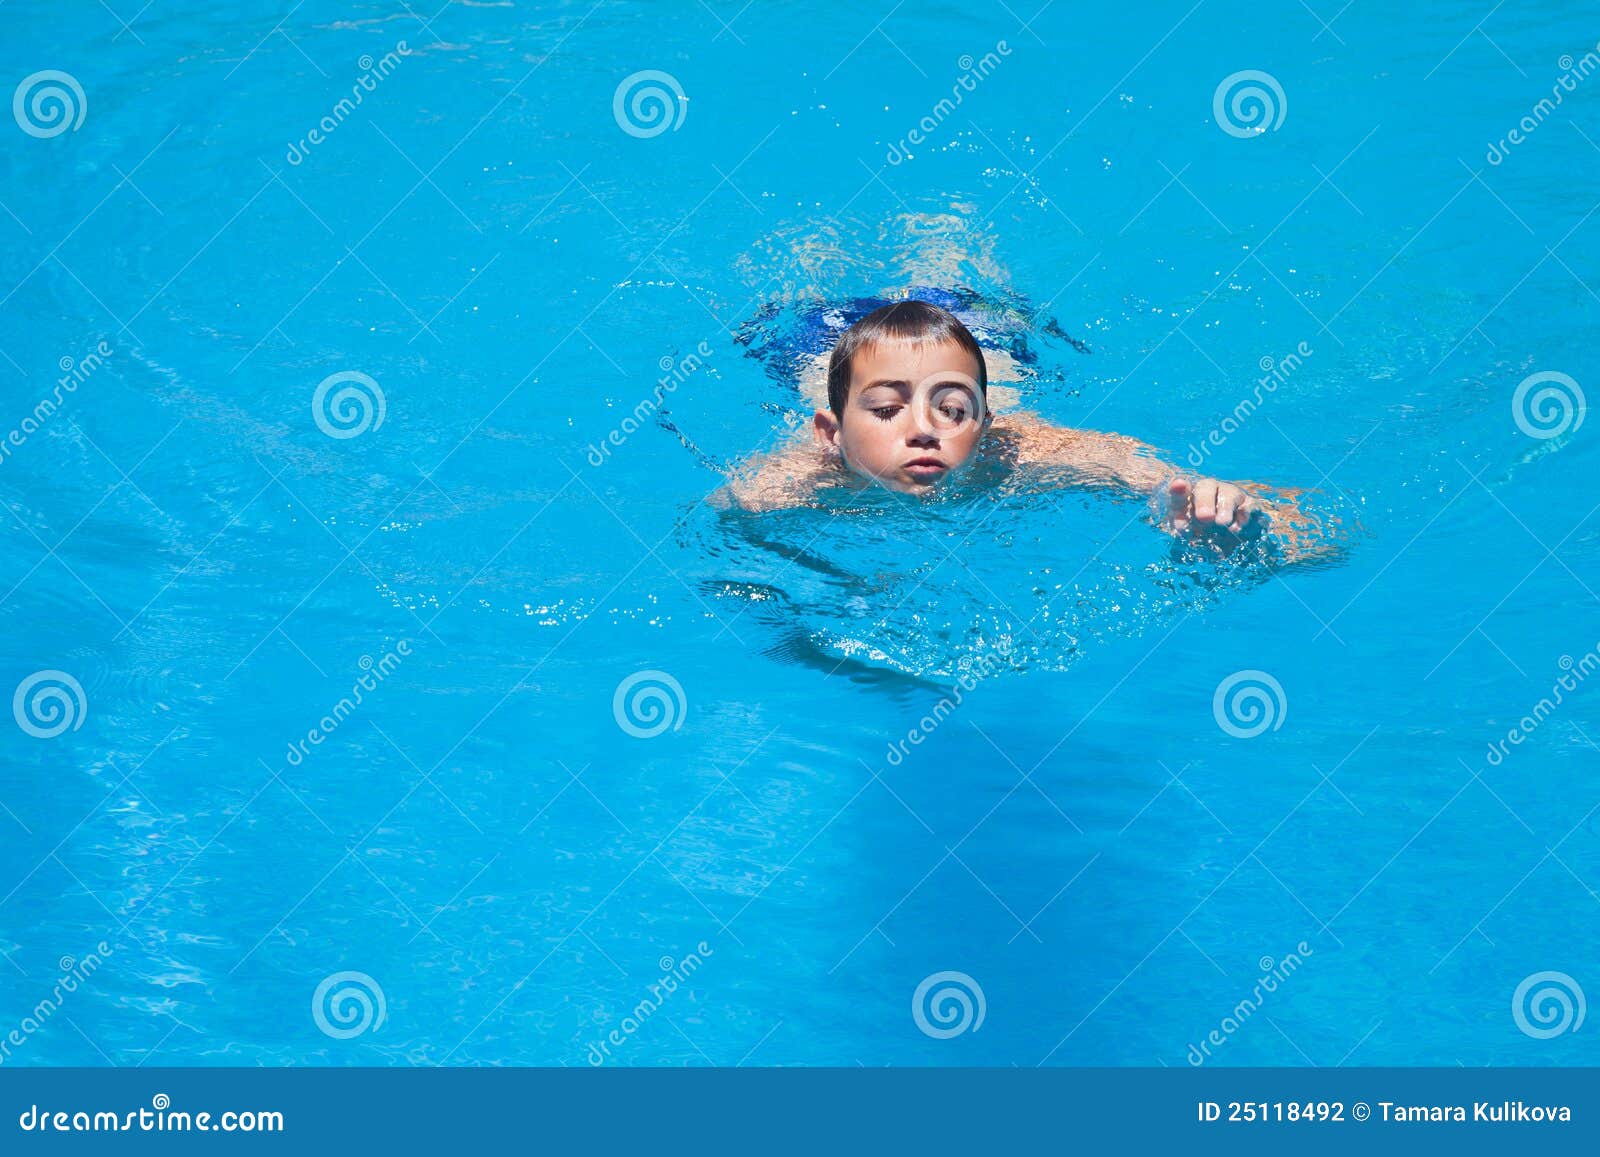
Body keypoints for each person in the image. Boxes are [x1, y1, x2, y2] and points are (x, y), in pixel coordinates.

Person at [721, 298, 1329, 559]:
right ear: (832, 433)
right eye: (885, 411)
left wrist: (1223, 510)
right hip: (822, 338)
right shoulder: (798, 473)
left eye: (954, 412)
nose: (925, 430)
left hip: (976, 336)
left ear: (989, 427)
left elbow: (1315, 529)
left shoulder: (1024, 452)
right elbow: (720, 530)